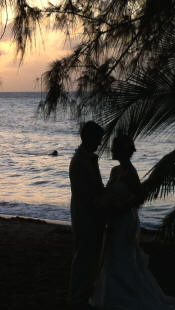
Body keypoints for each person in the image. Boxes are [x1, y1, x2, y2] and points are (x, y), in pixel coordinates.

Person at [92, 135, 175, 310]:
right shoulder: (115, 171)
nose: (111, 150)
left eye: (115, 148)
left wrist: (121, 207)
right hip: (114, 219)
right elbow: (108, 192)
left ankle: (126, 296)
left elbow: (139, 198)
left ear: (122, 151)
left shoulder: (131, 174)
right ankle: (110, 295)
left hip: (125, 220)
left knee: (123, 256)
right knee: (111, 256)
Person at [68, 121, 105, 310]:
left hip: (91, 212)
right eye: (97, 139)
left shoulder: (88, 158)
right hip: (85, 213)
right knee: (83, 254)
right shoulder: (80, 161)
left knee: (89, 255)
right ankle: (77, 296)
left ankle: (84, 292)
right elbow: (84, 192)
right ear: (89, 138)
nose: (99, 143)